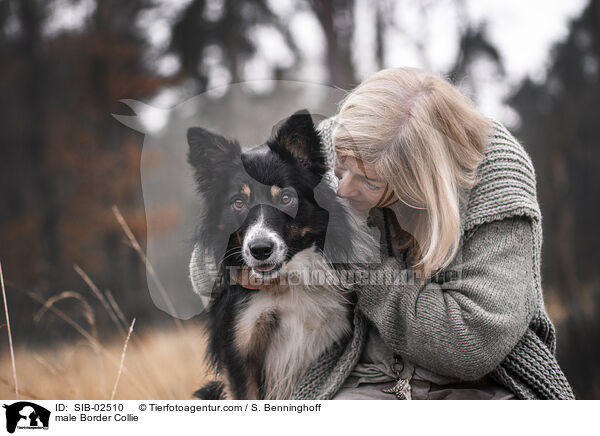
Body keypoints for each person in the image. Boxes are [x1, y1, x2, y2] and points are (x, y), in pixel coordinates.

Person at [189, 67, 575, 400]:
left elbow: (470, 344)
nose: (341, 190)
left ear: (418, 181)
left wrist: (355, 260)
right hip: (357, 374)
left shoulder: (496, 176)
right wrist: (242, 262)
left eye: (369, 182)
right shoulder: (337, 140)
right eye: (340, 169)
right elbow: (220, 230)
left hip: (475, 386)